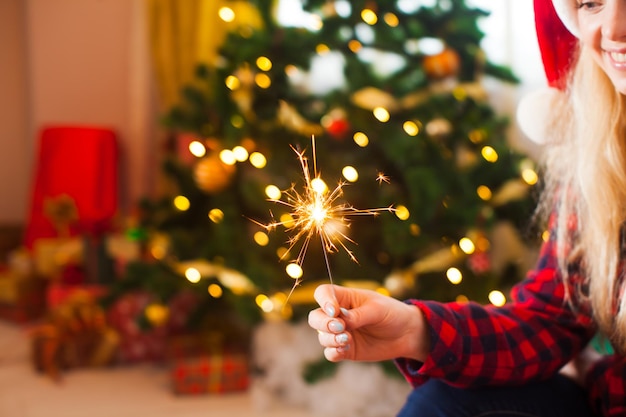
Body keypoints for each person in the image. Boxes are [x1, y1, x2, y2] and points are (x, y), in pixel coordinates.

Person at [307, 0, 626, 416]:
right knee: (443, 404)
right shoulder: (602, 156)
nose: (614, 29)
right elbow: (550, 320)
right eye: (591, 3)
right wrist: (416, 330)